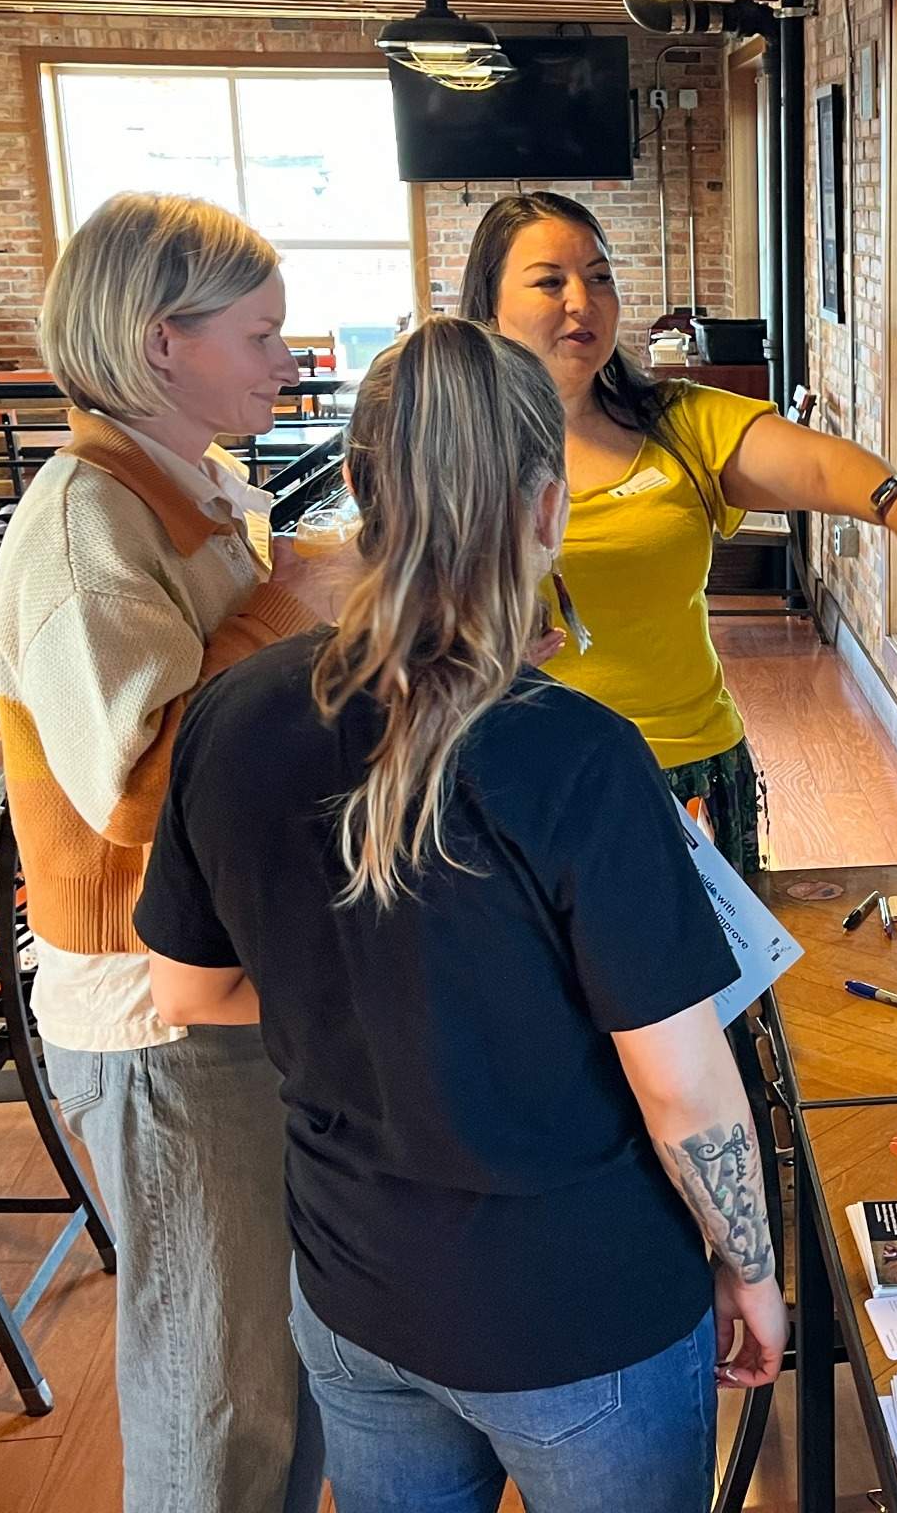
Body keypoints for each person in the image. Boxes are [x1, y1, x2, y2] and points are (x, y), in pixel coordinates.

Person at [133, 317, 787, 1513]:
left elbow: (187, 990)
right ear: (548, 512)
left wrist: (387, 987)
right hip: (579, 1315)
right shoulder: (581, 757)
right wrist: (750, 1269)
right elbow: (680, 1086)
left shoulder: (230, 714)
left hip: (359, 1296)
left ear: (361, 494)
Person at [0, 193, 336, 1512]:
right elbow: (142, 784)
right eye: (259, 334)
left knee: (276, 1362)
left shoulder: (171, 490)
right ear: (159, 344)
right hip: (154, 1013)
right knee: (220, 1391)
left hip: (218, 979)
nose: (284, 361)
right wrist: (292, 607)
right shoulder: (88, 524)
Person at [458, 190, 897, 871]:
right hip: (515, 783)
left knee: (715, 977)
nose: (583, 300)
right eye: (551, 281)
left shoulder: (677, 420)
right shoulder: (452, 446)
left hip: (684, 772)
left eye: (599, 277)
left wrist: (894, 501)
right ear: (489, 307)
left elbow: (808, 464)